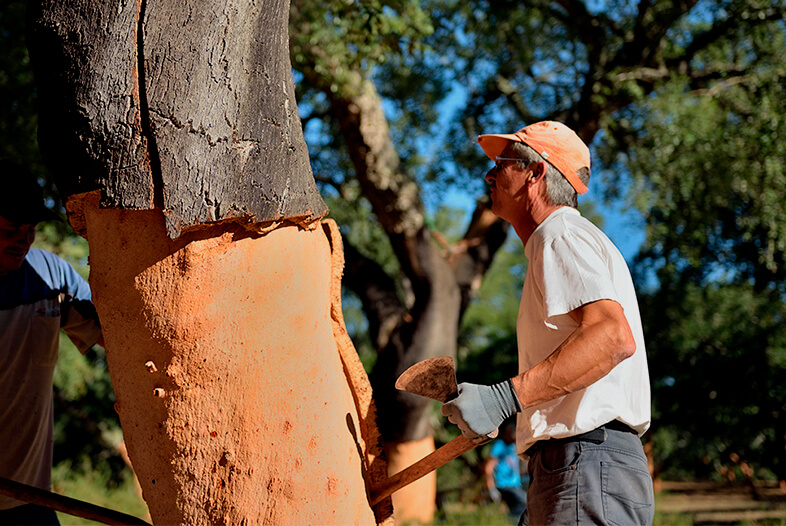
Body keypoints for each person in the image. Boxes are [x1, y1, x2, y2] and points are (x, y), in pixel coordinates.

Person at [441, 122, 654, 525]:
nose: (489, 175)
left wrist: (502, 400)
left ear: (536, 173)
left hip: (585, 465)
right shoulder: (559, 241)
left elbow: (612, 338)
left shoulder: (559, 234)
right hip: (577, 467)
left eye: (502, 163)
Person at [0, 161, 103, 525]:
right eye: (12, 229)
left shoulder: (52, 276)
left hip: (31, 500)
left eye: (30, 230)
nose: (24, 241)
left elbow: (113, 333)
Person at [483, 419, 528, 524]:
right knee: (524, 504)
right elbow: (488, 468)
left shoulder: (512, 446)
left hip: (515, 484)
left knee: (525, 505)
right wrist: (491, 488)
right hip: (504, 485)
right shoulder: (499, 446)